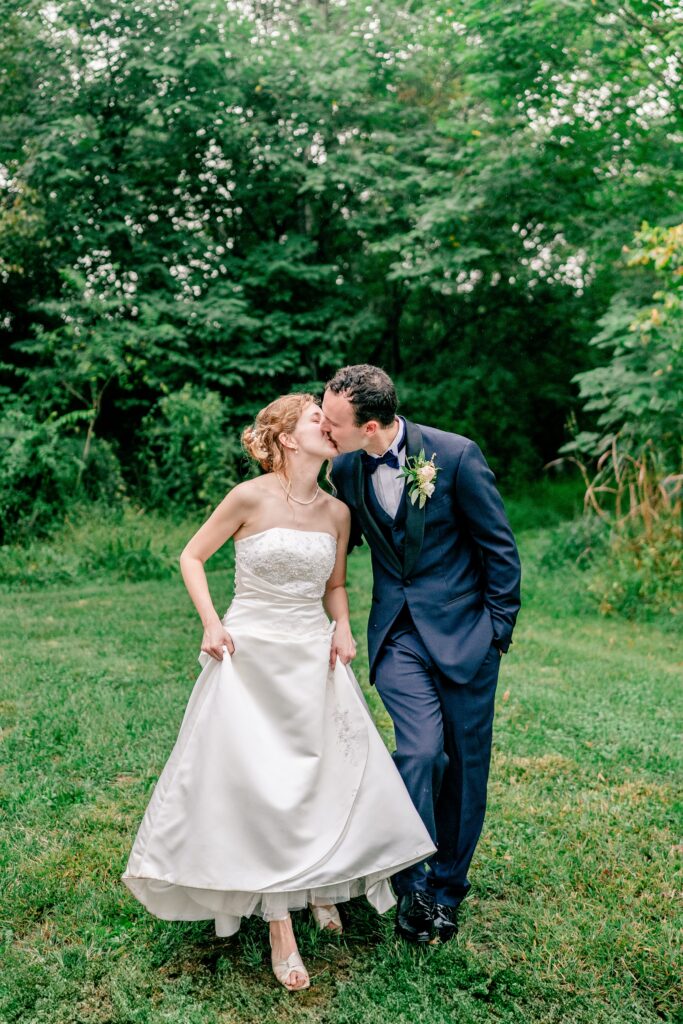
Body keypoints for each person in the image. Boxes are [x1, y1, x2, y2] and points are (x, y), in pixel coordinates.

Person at [121, 392, 436, 992]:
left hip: (310, 652)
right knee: (261, 785)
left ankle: (318, 879)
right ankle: (277, 921)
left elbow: (336, 585)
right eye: (317, 418)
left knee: (318, 777)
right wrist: (213, 623)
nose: (329, 425)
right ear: (288, 438)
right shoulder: (248, 496)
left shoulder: (338, 512)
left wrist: (342, 628)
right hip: (251, 655)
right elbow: (191, 556)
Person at [322, 365, 522, 945]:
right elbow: (336, 540)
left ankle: (447, 891)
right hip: (397, 637)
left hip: (466, 638)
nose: (325, 428)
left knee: (464, 768)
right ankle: (411, 882)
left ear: (374, 425)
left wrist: (496, 634)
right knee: (420, 750)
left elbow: (499, 550)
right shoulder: (344, 469)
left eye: (334, 422)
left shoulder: (454, 457)